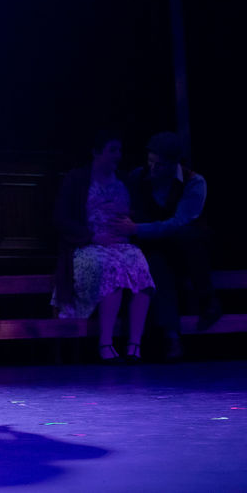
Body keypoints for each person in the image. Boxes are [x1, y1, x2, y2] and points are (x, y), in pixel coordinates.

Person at [115, 131, 220, 361]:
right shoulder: (138, 178)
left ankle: (208, 300)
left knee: (189, 236)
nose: (153, 169)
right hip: (156, 247)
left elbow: (180, 222)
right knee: (156, 264)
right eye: (150, 162)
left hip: (186, 249)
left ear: (174, 165)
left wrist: (138, 228)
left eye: (160, 165)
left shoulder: (194, 182)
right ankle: (171, 336)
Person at [52, 132, 155, 363]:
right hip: (89, 245)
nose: (117, 155)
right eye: (112, 150)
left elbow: (140, 213)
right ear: (96, 152)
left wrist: (131, 224)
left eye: (119, 150)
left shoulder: (125, 179)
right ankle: (105, 343)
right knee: (112, 269)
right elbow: (61, 218)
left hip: (122, 244)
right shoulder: (77, 179)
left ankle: (134, 345)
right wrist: (93, 236)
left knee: (140, 268)